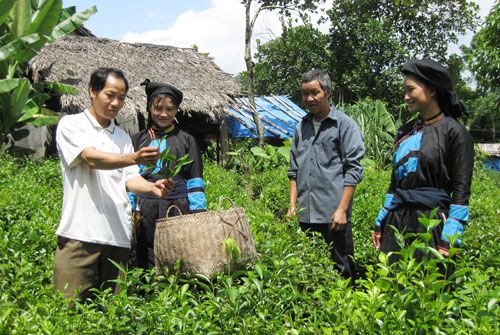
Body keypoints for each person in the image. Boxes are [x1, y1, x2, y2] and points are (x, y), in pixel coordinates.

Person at [53, 68, 175, 301]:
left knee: (113, 314)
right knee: (67, 312)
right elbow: (90, 158)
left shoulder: (121, 137)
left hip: (117, 237)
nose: (116, 103)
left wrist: (152, 187)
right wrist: (135, 158)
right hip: (80, 235)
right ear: (92, 91)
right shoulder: (72, 125)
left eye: (121, 97)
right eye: (110, 95)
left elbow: (129, 178)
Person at [372, 59, 474, 272]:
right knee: (391, 282)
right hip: (397, 219)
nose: (406, 97)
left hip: (433, 222)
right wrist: (381, 221)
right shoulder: (404, 132)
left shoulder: (454, 132)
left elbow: (461, 191)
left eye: (411, 90)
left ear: (432, 90)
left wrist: (450, 235)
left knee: (429, 287)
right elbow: (394, 184)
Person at [287, 69, 365, 281]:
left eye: (314, 93)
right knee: (309, 269)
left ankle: (347, 310)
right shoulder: (300, 127)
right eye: (305, 94)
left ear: (328, 92)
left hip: (334, 215)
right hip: (306, 214)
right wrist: (293, 205)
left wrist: (342, 210)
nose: (309, 99)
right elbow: (294, 170)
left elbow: (353, 169)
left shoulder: (344, 125)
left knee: (342, 268)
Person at [130, 79, 206, 271]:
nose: (163, 114)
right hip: (145, 206)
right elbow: (129, 176)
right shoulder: (138, 139)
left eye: (169, 109)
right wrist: (129, 208)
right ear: (149, 108)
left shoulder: (187, 140)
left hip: (177, 204)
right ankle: (149, 295)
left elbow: (195, 178)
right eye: (158, 108)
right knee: (146, 253)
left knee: (178, 252)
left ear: (176, 110)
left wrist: (198, 213)